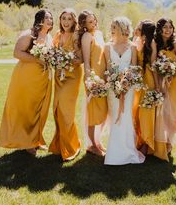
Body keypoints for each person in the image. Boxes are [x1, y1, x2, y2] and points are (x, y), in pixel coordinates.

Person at [0, 9, 53, 155]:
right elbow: (17, 53)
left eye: (51, 18)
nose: (50, 20)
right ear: (39, 19)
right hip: (26, 78)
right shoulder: (29, 34)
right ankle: (27, 142)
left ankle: (36, 139)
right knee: (26, 109)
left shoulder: (49, 37)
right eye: (47, 17)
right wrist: (38, 60)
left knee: (39, 109)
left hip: (43, 79)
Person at [104, 16, 145, 165]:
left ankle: (128, 150)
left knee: (126, 115)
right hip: (113, 87)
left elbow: (134, 68)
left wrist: (127, 82)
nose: (112, 30)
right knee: (115, 115)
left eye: (114, 27)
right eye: (112, 27)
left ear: (122, 29)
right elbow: (108, 68)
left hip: (129, 87)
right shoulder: (107, 47)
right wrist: (114, 82)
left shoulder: (132, 47)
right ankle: (114, 152)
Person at [49, 8, 83, 161]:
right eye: (64, 18)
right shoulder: (57, 34)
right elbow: (53, 53)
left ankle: (71, 147)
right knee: (57, 109)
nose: (66, 22)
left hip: (72, 75)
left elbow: (80, 58)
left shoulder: (76, 35)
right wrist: (56, 59)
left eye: (69, 19)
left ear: (73, 20)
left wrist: (65, 60)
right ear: (60, 20)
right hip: (59, 75)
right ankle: (60, 144)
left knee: (65, 110)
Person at [135, 20, 169, 161]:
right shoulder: (138, 41)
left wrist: (157, 86)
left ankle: (148, 143)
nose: (136, 28)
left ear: (144, 30)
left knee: (146, 112)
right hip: (140, 81)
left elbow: (154, 66)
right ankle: (142, 141)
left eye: (139, 27)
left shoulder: (152, 43)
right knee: (139, 112)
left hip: (149, 81)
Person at [154, 18, 176, 155]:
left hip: (174, 83)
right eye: (165, 27)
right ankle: (159, 141)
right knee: (161, 112)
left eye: (170, 27)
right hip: (160, 82)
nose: (168, 29)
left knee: (172, 112)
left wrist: (172, 73)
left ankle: (169, 142)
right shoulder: (155, 44)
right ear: (160, 29)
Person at [79, 10, 107, 156]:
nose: (93, 23)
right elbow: (86, 61)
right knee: (93, 112)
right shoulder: (86, 36)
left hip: (103, 77)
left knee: (103, 111)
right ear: (84, 24)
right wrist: (89, 81)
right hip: (93, 78)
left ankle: (97, 141)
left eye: (94, 20)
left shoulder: (100, 34)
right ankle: (92, 145)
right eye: (90, 21)